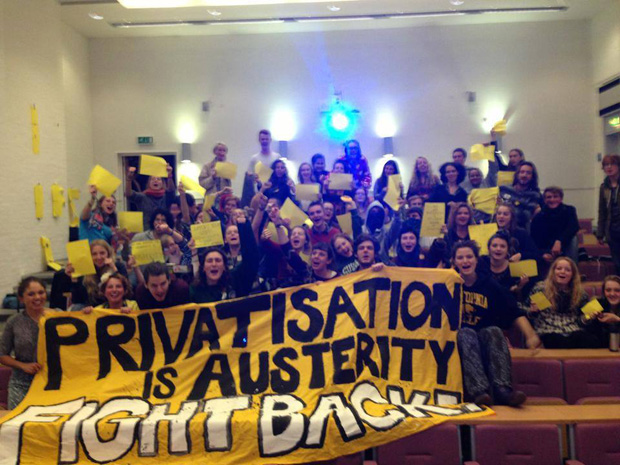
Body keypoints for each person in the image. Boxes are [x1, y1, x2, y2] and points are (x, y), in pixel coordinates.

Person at [453, 240, 540, 406]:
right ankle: (478, 391)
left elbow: (512, 310)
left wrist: (530, 335)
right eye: (460, 257)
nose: (465, 261)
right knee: (466, 333)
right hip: (461, 338)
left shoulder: (489, 284)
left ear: (476, 260)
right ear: (454, 262)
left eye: (469, 257)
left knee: (494, 330)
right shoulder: (448, 285)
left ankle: (503, 390)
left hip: (485, 336)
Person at [526, 257, 600, 348]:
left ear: (572, 275)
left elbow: (580, 322)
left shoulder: (580, 293)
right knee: (554, 339)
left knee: (591, 340)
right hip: (548, 331)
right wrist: (533, 311)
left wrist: (587, 317)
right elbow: (528, 313)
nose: (563, 272)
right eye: (559, 268)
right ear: (553, 272)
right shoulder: (541, 289)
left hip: (573, 330)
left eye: (567, 270)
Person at [0, 277, 48, 409]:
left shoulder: (58, 316)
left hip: (53, 381)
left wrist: (87, 313)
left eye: (41, 292)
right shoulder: (13, 322)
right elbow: (2, 354)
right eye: (31, 294)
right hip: (22, 382)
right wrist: (22, 365)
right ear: (21, 298)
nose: (37, 297)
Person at [191, 215, 258, 303]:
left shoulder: (234, 280)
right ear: (203, 267)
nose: (214, 264)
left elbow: (251, 260)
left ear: (224, 266)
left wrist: (244, 227)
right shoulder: (195, 289)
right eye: (209, 261)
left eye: (218, 260)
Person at [66, 239, 130, 310]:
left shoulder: (118, 266)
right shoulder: (85, 269)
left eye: (102, 253)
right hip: (93, 309)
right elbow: (77, 300)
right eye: (94, 254)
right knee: (76, 307)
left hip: (115, 305)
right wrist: (74, 278)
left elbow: (128, 291)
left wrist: (113, 268)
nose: (98, 257)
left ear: (108, 254)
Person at [477, 232, 532, 301]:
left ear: (507, 250)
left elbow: (517, 298)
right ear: (489, 248)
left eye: (502, 246)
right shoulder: (481, 262)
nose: (498, 249)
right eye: (494, 246)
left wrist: (519, 287)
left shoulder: (514, 268)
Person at [530, 186, 579, 264]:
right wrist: (544, 253)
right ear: (545, 200)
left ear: (561, 198)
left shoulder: (569, 210)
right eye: (549, 197)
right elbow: (535, 238)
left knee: (574, 239)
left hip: (565, 245)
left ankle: (572, 268)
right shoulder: (538, 216)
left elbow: (573, 227)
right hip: (546, 249)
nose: (552, 200)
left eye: (555, 197)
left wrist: (559, 241)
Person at [125, 163, 175, 230]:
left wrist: (169, 175)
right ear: (149, 183)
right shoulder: (143, 197)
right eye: (152, 179)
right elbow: (129, 194)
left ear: (163, 183)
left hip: (164, 231)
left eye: (158, 179)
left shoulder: (166, 197)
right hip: (147, 232)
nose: (155, 180)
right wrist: (129, 179)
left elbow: (171, 191)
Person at [499, 161, 542, 230]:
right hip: (499, 230)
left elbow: (525, 216)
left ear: (532, 177)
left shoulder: (534, 195)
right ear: (517, 174)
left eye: (528, 173)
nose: (524, 175)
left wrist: (512, 203)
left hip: (520, 232)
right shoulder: (504, 189)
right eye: (522, 172)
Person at [596, 154, 620, 273]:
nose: (609, 167)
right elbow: (602, 211)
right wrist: (600, 233)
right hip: (612, 229)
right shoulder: (603, 187)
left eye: (613, 164)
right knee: (617, 262)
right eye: (606, 165)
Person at [589, 275, 620, 347]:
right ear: (603, 292)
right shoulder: (596, 302)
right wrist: (589, 318)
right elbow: (579, 322)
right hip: (599, 347)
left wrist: (617, 319)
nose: (612, 294)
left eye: (617, 290)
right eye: (608, 290)